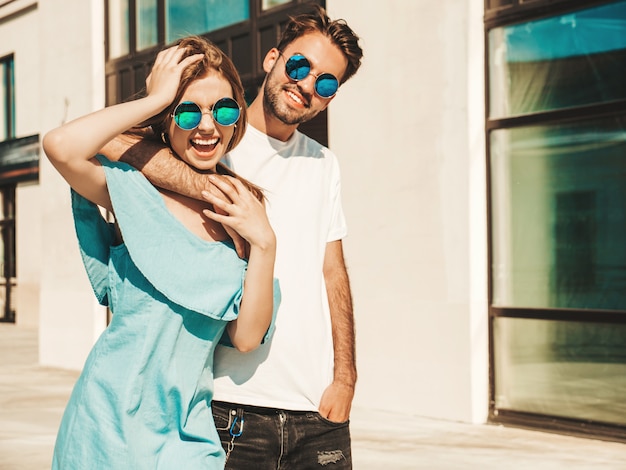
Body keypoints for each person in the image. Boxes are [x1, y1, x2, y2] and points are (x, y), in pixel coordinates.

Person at [100, 5, 363, 468]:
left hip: (319, 410)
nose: (306, 85)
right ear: (272, 59)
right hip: (231, 408)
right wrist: (205, 184)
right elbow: (108, 142)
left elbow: (332, 271)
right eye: (300, 66)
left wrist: (345, 377)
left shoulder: (325, 163)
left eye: (326, 83)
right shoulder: (213, 135)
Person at [42, 36, 278, 469]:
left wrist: (265, 245)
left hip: (187, 436)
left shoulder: (243, 208)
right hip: (104, 425)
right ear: (165, 120)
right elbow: (61, 145)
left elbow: (246, 337)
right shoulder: (134, 188)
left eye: (224, 110)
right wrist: (157, 97)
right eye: (187, 112)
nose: (208, 127)